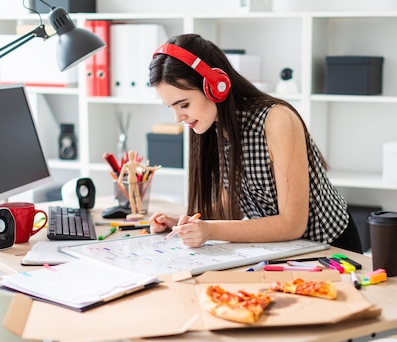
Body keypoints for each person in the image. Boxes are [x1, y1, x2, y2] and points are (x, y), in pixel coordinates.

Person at [147, 33, 362, 253]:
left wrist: (210, 230)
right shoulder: (212, 127)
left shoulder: (277, 120)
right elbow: (229, 204)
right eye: (170, 107)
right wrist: (184, 224)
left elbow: (292, 224)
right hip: (283, 250)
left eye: (184, 105)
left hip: (331, 248)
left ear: (215, 85)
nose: (177, 117)